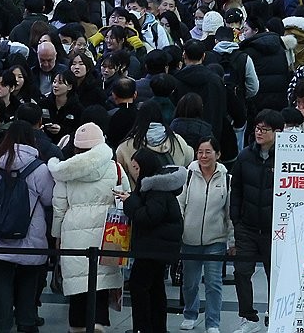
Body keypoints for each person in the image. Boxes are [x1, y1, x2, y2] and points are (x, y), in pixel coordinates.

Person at [47, 122, 126, 333]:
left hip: (73, 231)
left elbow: (59, 207)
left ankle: (77, 326)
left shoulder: (65, 171)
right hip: (109, 233)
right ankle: (98, 322)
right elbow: (124, 197)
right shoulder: (115, 168)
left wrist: (57, 234)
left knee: (77, 284)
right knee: (100, 283)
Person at [0, 121, 54, 333]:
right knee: (29, 279)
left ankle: (2, 325)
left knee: (2, 279)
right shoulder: (39, 168)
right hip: (30, 234)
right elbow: (48, 199)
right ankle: (26, 322)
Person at [118, 147, 185, 333]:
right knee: (155, 288)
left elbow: (148, 217)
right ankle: (156, 327)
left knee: (139, 286)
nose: (134, 172)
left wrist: (129, 201)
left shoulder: (156, 190)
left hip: (154, 247)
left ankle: (143, 327)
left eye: (137, 168)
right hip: (157, 247)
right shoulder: (157, 187)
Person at [230, 110, 285, 333]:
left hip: (275, 229)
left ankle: (275, 315)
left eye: (264, 129)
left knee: (277, 275)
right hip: (247, 226)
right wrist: (236, 220)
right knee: (242, 272)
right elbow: (236, 191)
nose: (259, 132)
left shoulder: (286, 157)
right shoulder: (245, 156)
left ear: (278, 132)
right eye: (257, 128)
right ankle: (248, 317)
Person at [178, 137, 234, 333]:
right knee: (190, 283)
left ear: (218, 155)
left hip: (215, 240)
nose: (203, 156)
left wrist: (231, 240)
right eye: (200, 152)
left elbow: (229, 213)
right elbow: (180, 205)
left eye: (208, 152)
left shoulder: (226, 179)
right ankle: (190, 313)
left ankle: (213, 322)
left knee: (214, 283)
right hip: (189, 238)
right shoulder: (188, 175)